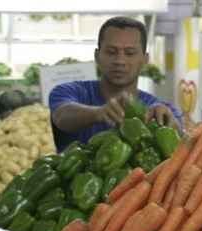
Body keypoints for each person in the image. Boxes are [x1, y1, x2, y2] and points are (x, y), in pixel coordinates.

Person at [49, 16, 183, 151]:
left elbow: (183, 142)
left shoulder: (162, 110)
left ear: (145, 59)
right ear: (97, 56)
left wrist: (171, 127)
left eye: (130, 53)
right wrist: (99, 113)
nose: (120, 60)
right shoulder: (69, 91)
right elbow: (61, 116)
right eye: (111, 52)